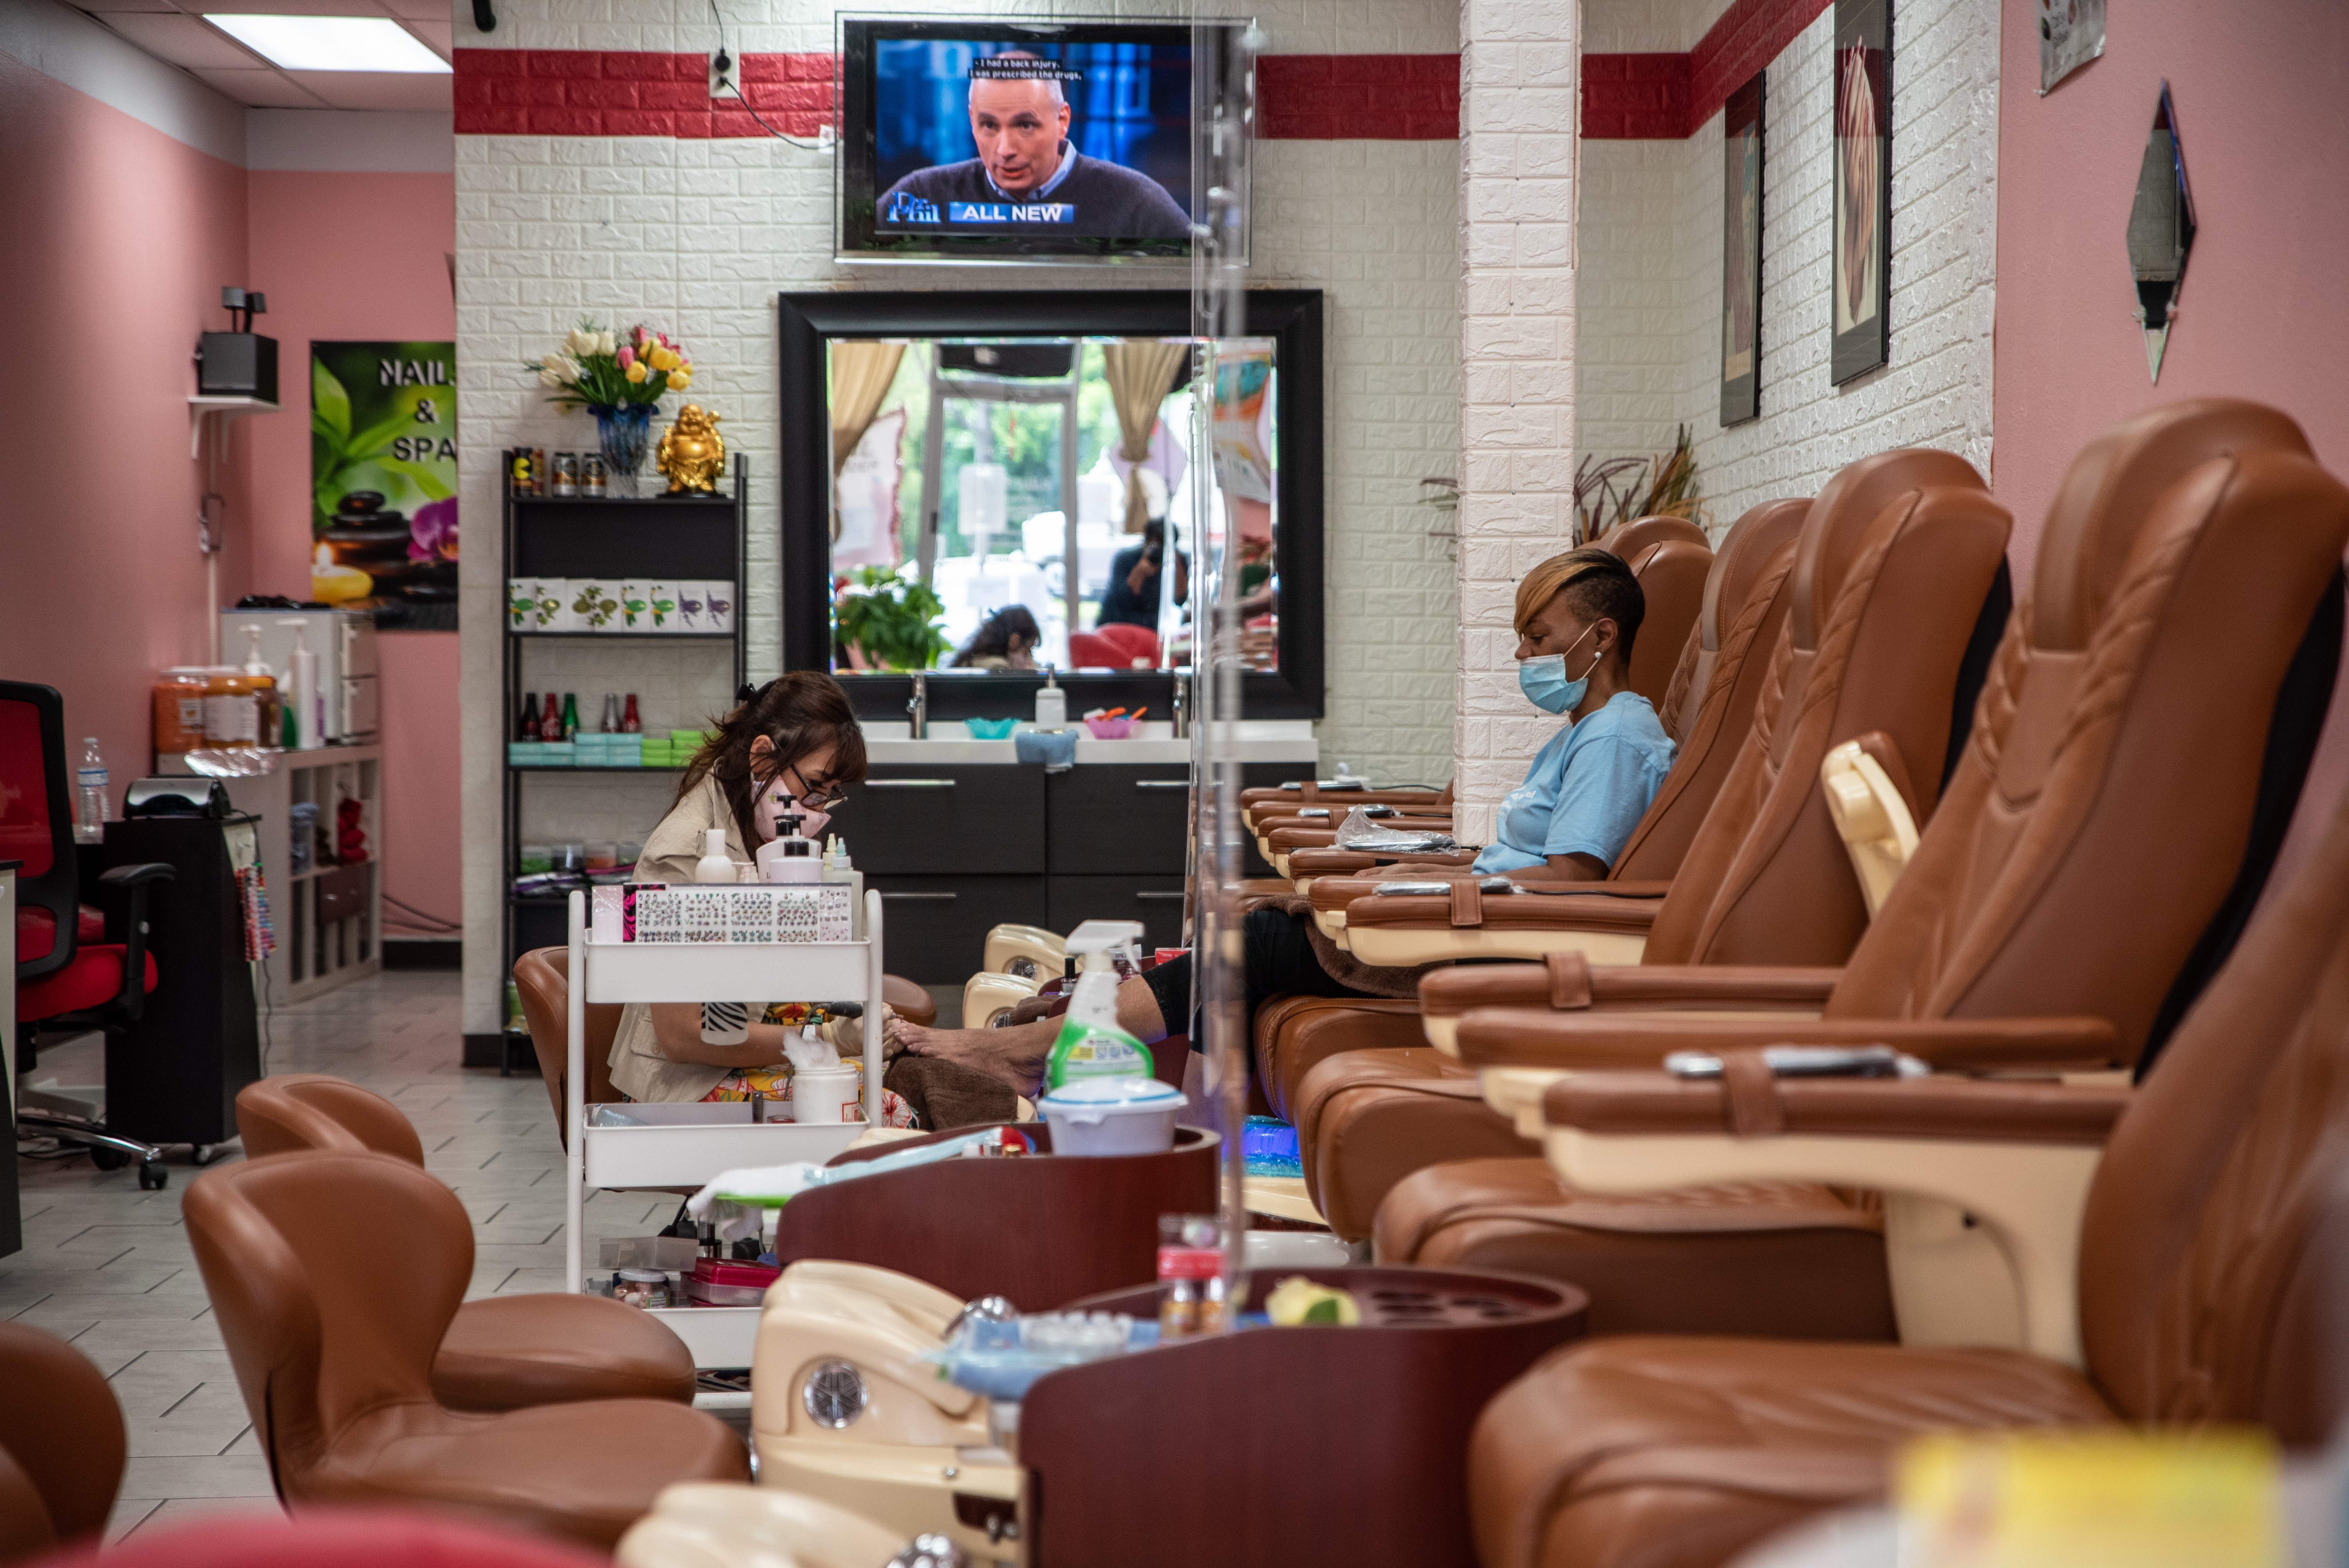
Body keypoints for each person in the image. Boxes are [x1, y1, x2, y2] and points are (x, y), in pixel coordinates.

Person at [889, 545, 1677, 1098]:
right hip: (1469, 921)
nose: (1521, 655)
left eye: (1537, 638)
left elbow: (1574, 880)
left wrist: (1437, 894)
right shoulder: (1584, 729)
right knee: (1250, 918)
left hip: (1489, 947)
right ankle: (1188, 1126)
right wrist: (1426, 876)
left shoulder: (1615, 735)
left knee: (1251, 941)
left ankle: (1028, 1049)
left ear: (1598, 636)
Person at [606, 673, 877, 1104]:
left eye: (829, 795)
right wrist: (824, 1038)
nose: (818, 812)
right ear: (763, 757)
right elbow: (682, 1034)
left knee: (895, 1069)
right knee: (879, 1102)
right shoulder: (682, 856)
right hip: (687, 1081)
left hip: (736, 1055)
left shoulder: (754, 830)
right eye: (812, 788)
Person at [877, 53, 1191, 241]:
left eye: (1025, 125)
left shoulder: (1136, 203)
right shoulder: (920, 196)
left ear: (1063, 120)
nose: (1005, 150)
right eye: (989, 126)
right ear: (972, 121)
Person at [1098, 518, 1187, 629]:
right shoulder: (1126, 559)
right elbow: (1120, 601)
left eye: (1163, 546)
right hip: (1116, 625)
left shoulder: (1177, 562)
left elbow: (1180, 600)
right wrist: (1139, 573)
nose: (1158, 551)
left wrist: (1176, 564)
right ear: (1145, 541)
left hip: (1151, 629)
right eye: (1153, 544)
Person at [954, 605, 1042, 669]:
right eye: (1027, 652)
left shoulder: (977, 658)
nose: (1030, 660)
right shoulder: (998, 667)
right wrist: (1027, 675)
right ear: (1014, 641)